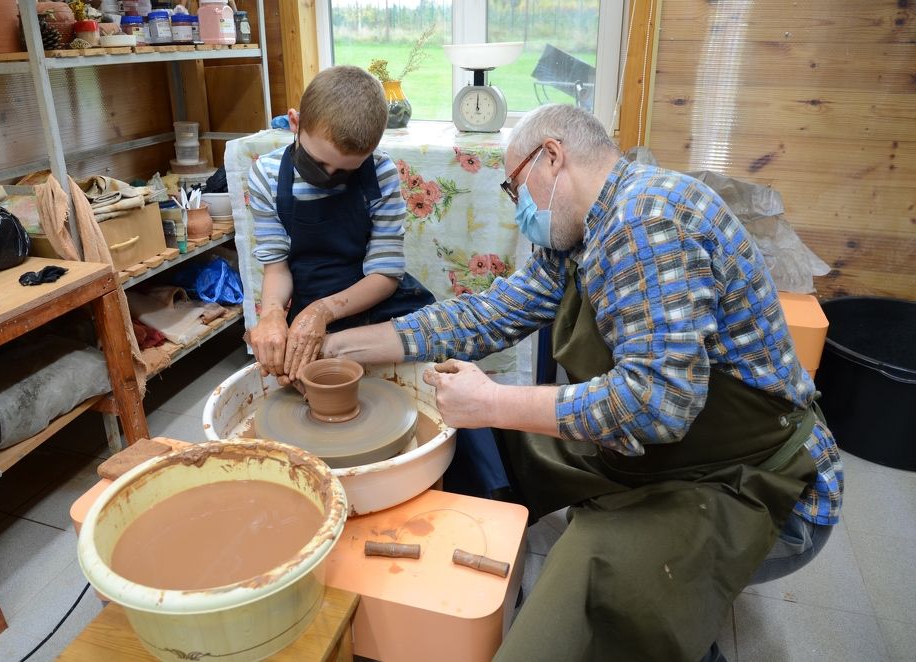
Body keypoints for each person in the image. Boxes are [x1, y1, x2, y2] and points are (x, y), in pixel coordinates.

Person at [316, 104, 843, 661]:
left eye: (514, 186)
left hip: (756, 481)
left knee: (585, 602)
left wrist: (493, 401)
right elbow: (489, 315)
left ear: (551, 157)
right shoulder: (580, 233)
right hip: (686, 448)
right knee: (510, 440)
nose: (518, 206)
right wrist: (343, 346)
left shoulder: (645, 222)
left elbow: (656, 405)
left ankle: (665, 612)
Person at [243, 65, 510, 498]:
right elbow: (277, 268)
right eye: (321, 163)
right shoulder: (267, 176)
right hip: (308, 297)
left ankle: (484, 495)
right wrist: (273, 315)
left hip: (375, 296)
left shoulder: (381, 174)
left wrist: (322, 311)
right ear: (295, 124)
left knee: (442, 368)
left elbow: (385, 276)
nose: (331, 177)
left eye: (346, 170)